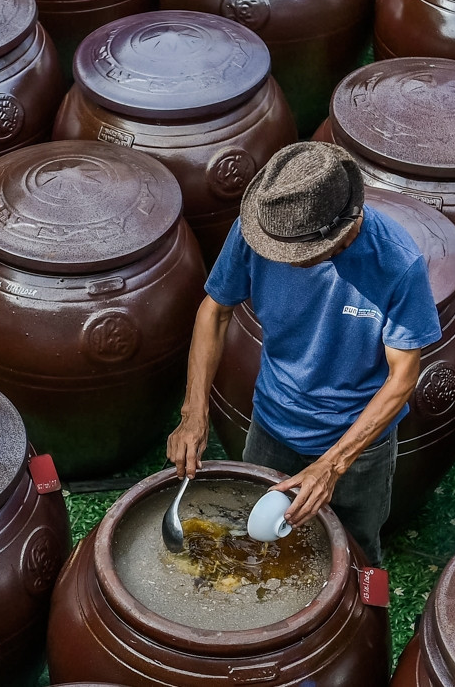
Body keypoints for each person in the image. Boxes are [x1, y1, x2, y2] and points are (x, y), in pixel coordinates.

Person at [166, 141, 440, 563]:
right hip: (272, 422)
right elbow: (215, 311)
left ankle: (370, 620)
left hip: (357, 443)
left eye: (297, 255)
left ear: (341, 229)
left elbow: (402, 377)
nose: (284, 260)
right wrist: (193, 411)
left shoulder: (397, 264)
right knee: (255, 540)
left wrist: (333, 465)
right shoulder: (262, 229)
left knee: (354, 550)